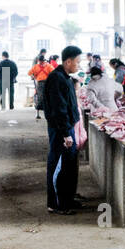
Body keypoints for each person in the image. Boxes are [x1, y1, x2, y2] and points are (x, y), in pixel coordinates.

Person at [45, 46, 85, 215]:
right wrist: (66, 133)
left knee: (69, 165)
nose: (79, 65)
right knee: (59, 166)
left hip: (68, 127)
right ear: (68, 61)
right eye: (77, 62)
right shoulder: (56, 79)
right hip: (61, 130)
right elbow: (58, 109)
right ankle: (56, 204)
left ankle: (67, 199)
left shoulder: (66, 77)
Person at [28, 54, 52, 121]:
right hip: (40, 83)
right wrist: (32, 76)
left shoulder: (48, 66)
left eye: (42, 61)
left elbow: (53, 73)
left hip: (47, 83)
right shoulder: (36, 67)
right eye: (40, 61)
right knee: (40, 97)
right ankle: (38, 113)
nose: (41, 63)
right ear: (39, 61)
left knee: (46, 97)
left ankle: (47, 112)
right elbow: (29, 73)